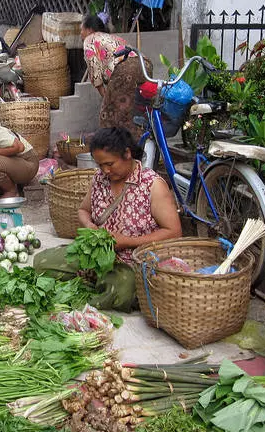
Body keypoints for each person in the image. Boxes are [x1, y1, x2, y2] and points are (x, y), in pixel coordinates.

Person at [33, 127, 182, 312]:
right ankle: (98, 284)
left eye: (110, 164)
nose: (105, 170)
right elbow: (83, 210)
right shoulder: (100, 178)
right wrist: (90, 226)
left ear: (127, 154)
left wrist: (128, 241)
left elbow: (174, 232)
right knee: (42, 262)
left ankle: (100, 289)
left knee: (122, 289)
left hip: (130, 263)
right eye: (100, 165)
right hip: (96, 257)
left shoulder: (152, 185)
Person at [80, 15, 153, 136]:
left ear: (89, 30)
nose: (81, 33)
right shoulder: (112, 37)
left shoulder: (90, 38)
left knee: (108, 114)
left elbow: (94, 68)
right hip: (145, 64)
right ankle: (142, 141)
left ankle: (115, 149)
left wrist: (105, 96)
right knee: (132, 111)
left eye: (81, 29)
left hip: (125, 68)